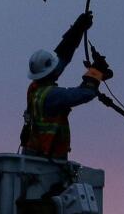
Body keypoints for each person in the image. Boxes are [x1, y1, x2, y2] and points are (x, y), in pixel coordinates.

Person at [20, 12, 113, 159]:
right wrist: (96, 72)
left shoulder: (34, 89)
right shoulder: (51, 95)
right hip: (48, 160)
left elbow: (63, 56)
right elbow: (84, 93)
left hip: (35, 155)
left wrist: (77, 29)